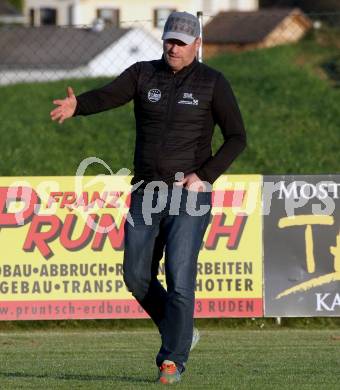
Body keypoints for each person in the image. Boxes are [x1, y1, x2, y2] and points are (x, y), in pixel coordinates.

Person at [50, 11, 246, 385]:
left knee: (179, 277)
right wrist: (79, 106)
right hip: (146, 194)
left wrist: (204, 176)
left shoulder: (213, 83)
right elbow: (108, 96)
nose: (173, 48)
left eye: (181, 42)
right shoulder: (143, 73)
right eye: (169, 40)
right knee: (136, 275)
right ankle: (179, 330)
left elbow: (237, 137)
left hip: (189, 197)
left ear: (197, 44)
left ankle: (172, 359)